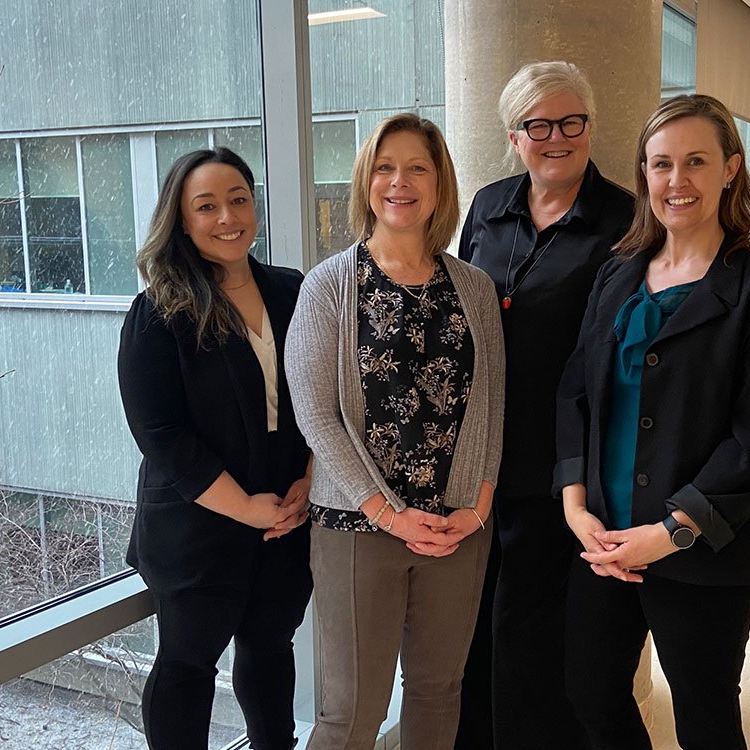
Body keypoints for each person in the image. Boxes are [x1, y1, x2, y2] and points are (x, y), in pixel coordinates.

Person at [554, 94, 750, 750]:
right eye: (661, 164)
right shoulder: (615, 277)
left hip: (705, 548)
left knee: (703, 714)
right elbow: (575, 393)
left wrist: (669, 533)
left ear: (730, 168)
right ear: (644, 175)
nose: (677, 180)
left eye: (695, 161)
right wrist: (576, 504)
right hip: (603, 537)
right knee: (590, 693)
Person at [285, 113, 505, 750]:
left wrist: (479, 505)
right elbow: (315, 415)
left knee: (439, 692)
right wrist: (388, 512)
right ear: (365, 181)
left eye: (417, 168)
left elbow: (492, 402)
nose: (399, 182)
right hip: (359, 526)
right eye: (385, 167)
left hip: (456, 526)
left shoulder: (474, 288)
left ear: (440, 184)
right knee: (349, 713)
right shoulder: (329, 285)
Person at [454, 60, 633, 750]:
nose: (556, 136)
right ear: (514, 134)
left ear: (589, 127)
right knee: (474, 632)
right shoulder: (488, 205)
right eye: (539, 124)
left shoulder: (624, 217)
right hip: (478, 463)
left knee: (541, 642)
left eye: (571, 122)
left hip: (565, 464)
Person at [117, 147, 313, 750]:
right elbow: (161, 434)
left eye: (238, 200)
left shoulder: (292, 290)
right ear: (181, 220)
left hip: (286, 516)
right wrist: (246, 508)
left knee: (271, 650)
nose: (227, 217)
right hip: (197, 528)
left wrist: (309, 481)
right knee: (188, 665)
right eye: (206, 206)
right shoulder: (158, 312)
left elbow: (318, 397)